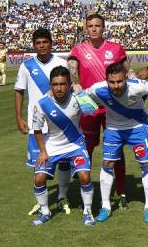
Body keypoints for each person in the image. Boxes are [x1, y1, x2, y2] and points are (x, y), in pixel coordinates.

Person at [68, 13, 130, 208]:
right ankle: (85, 194)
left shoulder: (116, 48)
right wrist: (75, 83)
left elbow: (127, 71)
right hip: (88, 107)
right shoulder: (78, 50)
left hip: (112, 107)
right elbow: (72, 70)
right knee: (86, 150)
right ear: (86, 28)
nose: (94, 29)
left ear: (104, 28)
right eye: (90, 26)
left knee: (116, 150)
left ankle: (121, 193)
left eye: (97, 25)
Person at [84, 62, 148, 223]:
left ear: (126, 79)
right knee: (107, 164)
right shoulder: (97, 89)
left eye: (119, 81)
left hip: (137, 129)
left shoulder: (138, 86)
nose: (116, 86)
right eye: (112, 82)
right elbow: (82, 96)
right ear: (106, 80)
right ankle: (106, 206)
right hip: (113, 130)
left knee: (145, 164)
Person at [14, 28, 71, 216]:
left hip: (60, 122)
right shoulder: (27, 66)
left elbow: (70, 90)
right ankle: (42, 203)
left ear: (51, 43)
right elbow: (19, 91)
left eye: (44, 42)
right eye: (38, 43)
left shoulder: (61, 63)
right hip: (36, 124)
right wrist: (19, 117)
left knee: (63, 162)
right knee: (39, 166)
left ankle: (62, 196)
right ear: (34, 45)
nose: (41, 46)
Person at [31, 66, 95, 226]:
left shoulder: (78, 97)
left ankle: (87, 211)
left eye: (62, 84)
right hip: (52, 146)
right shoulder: (42, 104)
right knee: (39, 179)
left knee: (85, 176)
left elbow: (92, 110)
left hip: (76, 145)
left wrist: (80, 92)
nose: (58, 88)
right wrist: (43, 152)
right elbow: (37, 129)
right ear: (50, 85)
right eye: (55, 84)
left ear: (69, 84)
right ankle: (45, 211)